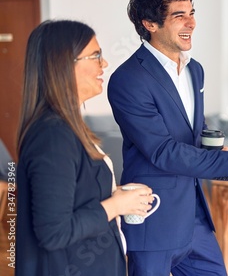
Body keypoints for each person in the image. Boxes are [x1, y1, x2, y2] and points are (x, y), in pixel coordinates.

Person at [107, 0, 228, 276]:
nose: (192, 23)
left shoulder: (195, 70)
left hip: (196, 216)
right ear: (150, 24)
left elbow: (193, 133)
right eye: (179, 16)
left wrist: (221, 153)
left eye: (192, 12)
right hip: (155, 218)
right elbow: (163, 151)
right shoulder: (128, 79)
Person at [15, 20, 155, 276]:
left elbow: (74, 195)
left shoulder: (67, 126)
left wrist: (116, 194)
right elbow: (54, 232)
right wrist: (117, 206)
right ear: (64, 65)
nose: (105, 64)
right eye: (96, 56)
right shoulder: (52, 135)